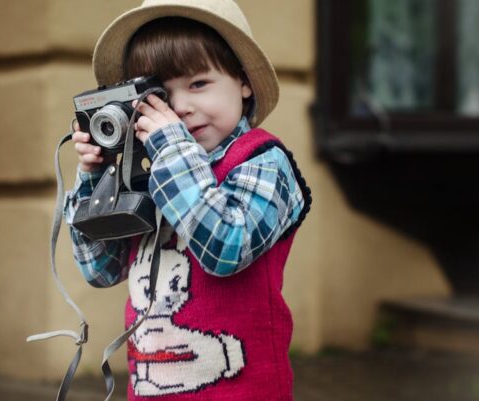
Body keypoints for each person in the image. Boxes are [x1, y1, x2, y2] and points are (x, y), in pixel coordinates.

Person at [64, 1, 311, 399]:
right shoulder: (153, 170)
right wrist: (95, 178)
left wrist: (171, 150)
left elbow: (225, 248)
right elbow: (100, 270)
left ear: (244, 81)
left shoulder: (263, 162)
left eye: (198, 84)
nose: (180, 108)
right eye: (161, 95)